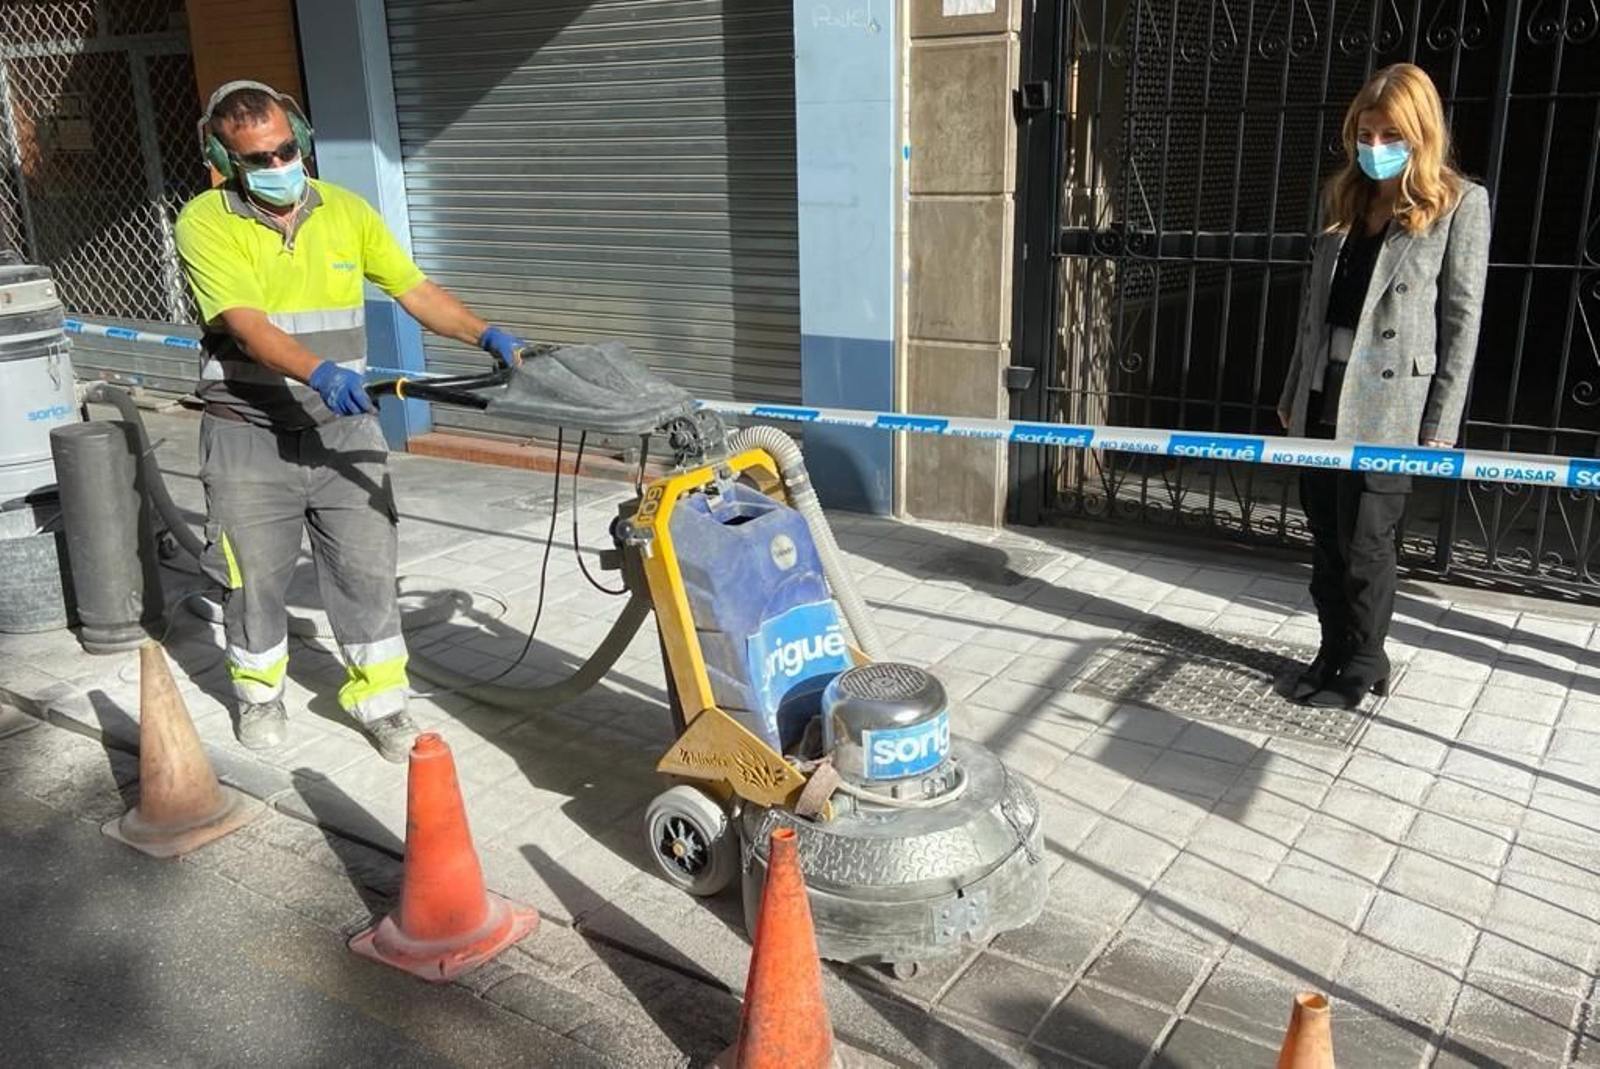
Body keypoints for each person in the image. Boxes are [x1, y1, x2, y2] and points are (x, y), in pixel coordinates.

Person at [174, 80, 531, 761]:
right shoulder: (204, 222)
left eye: (285, 149)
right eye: (258, 158)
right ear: (225, 160)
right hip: (248, 430)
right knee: (253, 576)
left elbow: (414, 289)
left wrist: (487, 334)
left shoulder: (345, 211)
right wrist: (322, 371)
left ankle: (381, 702)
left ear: (302, 142)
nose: (278, 166)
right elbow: (246, 327)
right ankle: (259, 694)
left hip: (343, 430)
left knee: (366, 568)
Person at [1276, 63, 1489, 710]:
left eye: (1389, 134)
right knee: (1323, 536)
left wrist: (1440, 425)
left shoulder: (1457, 204)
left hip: (1393, 403)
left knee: (1366, 542)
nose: (1373, 149)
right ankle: (1332, 646)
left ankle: (1366, 659)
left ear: (1420, 133)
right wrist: (1292, 391)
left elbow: (1462, 320)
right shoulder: (1342, 197)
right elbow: (1314, 313)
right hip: (1323, 392)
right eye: (1365, 134)